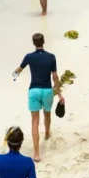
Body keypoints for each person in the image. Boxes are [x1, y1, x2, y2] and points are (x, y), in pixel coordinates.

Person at [13, 33, 63, 162]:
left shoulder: (29, 57)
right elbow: (55, 77)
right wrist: (59, 93)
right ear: (43, 42)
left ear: (33, 43)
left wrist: (14, 74)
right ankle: (47, 133)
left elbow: (18, 70)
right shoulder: (51, 57)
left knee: (34, 121)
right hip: (47, 91)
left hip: (34, 91)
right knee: (47, 114)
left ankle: (36, 153)